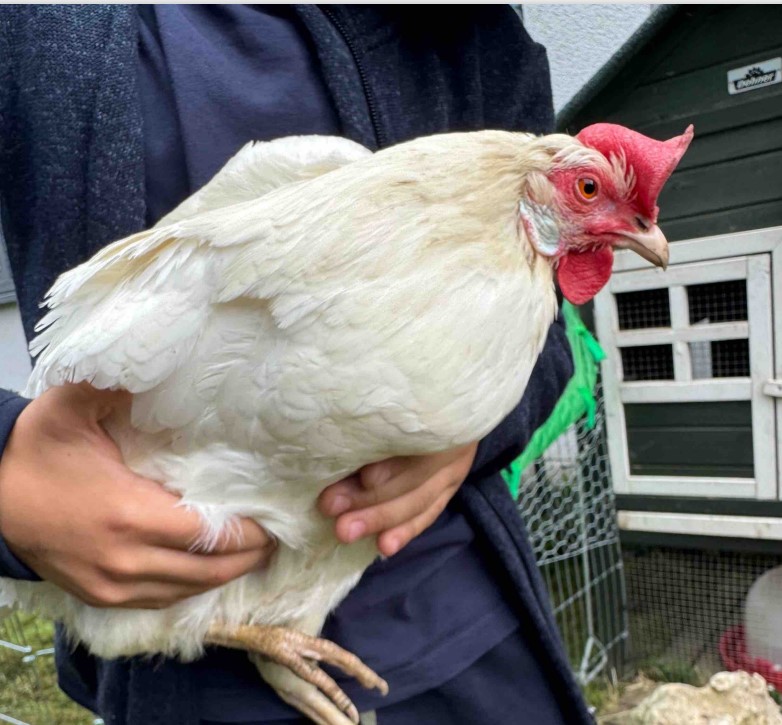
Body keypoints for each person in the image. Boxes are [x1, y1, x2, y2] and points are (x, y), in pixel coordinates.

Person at [0, 6, 592, 724]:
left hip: (465, 614)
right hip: (184, 662)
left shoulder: (469, 27)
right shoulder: (35, 23)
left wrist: (471, 420)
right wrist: (5, 471)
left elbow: (552, 327)